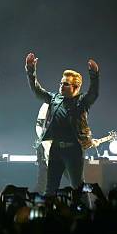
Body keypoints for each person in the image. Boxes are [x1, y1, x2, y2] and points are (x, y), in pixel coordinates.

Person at [25, 52, 99, 195]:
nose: (61, 86)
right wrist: (30, 71)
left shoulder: (82, 102)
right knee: (50, 188)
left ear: (75, 87)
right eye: (61, 83)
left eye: (65, 84)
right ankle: (49, 214)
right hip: (56, 149)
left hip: (74, 151)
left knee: (77, 187)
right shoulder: (54, 99)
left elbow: (93, 93)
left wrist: (94, 75)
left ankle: (82, 213)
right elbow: (36, 91)